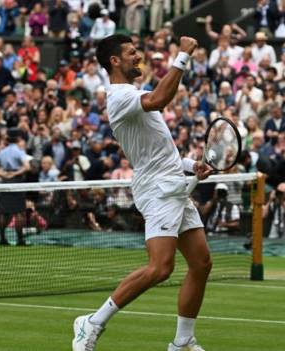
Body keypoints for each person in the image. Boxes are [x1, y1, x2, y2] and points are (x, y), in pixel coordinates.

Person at [72, 34, 212, 351]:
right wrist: (182, 57)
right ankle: (91, 323)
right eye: (132, 52)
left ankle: (182, 341)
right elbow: (160, 99)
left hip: (173, 182)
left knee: (201, 263)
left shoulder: (132, 94)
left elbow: (157, 152)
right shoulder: (120, 96)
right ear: (115, 61)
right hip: (158, 190)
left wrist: (191, 165)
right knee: (160, 267)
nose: (139, 56)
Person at [0, 129, 31, 246]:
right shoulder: (19, 151)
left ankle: (2, 239)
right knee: (19, 212)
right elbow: (27, 167)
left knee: (4, 212)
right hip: (16, 182)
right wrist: (16, 173)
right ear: (18, 138)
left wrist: (3, 174)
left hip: (5, 182)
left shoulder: (2, 152)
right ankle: (20, 240)